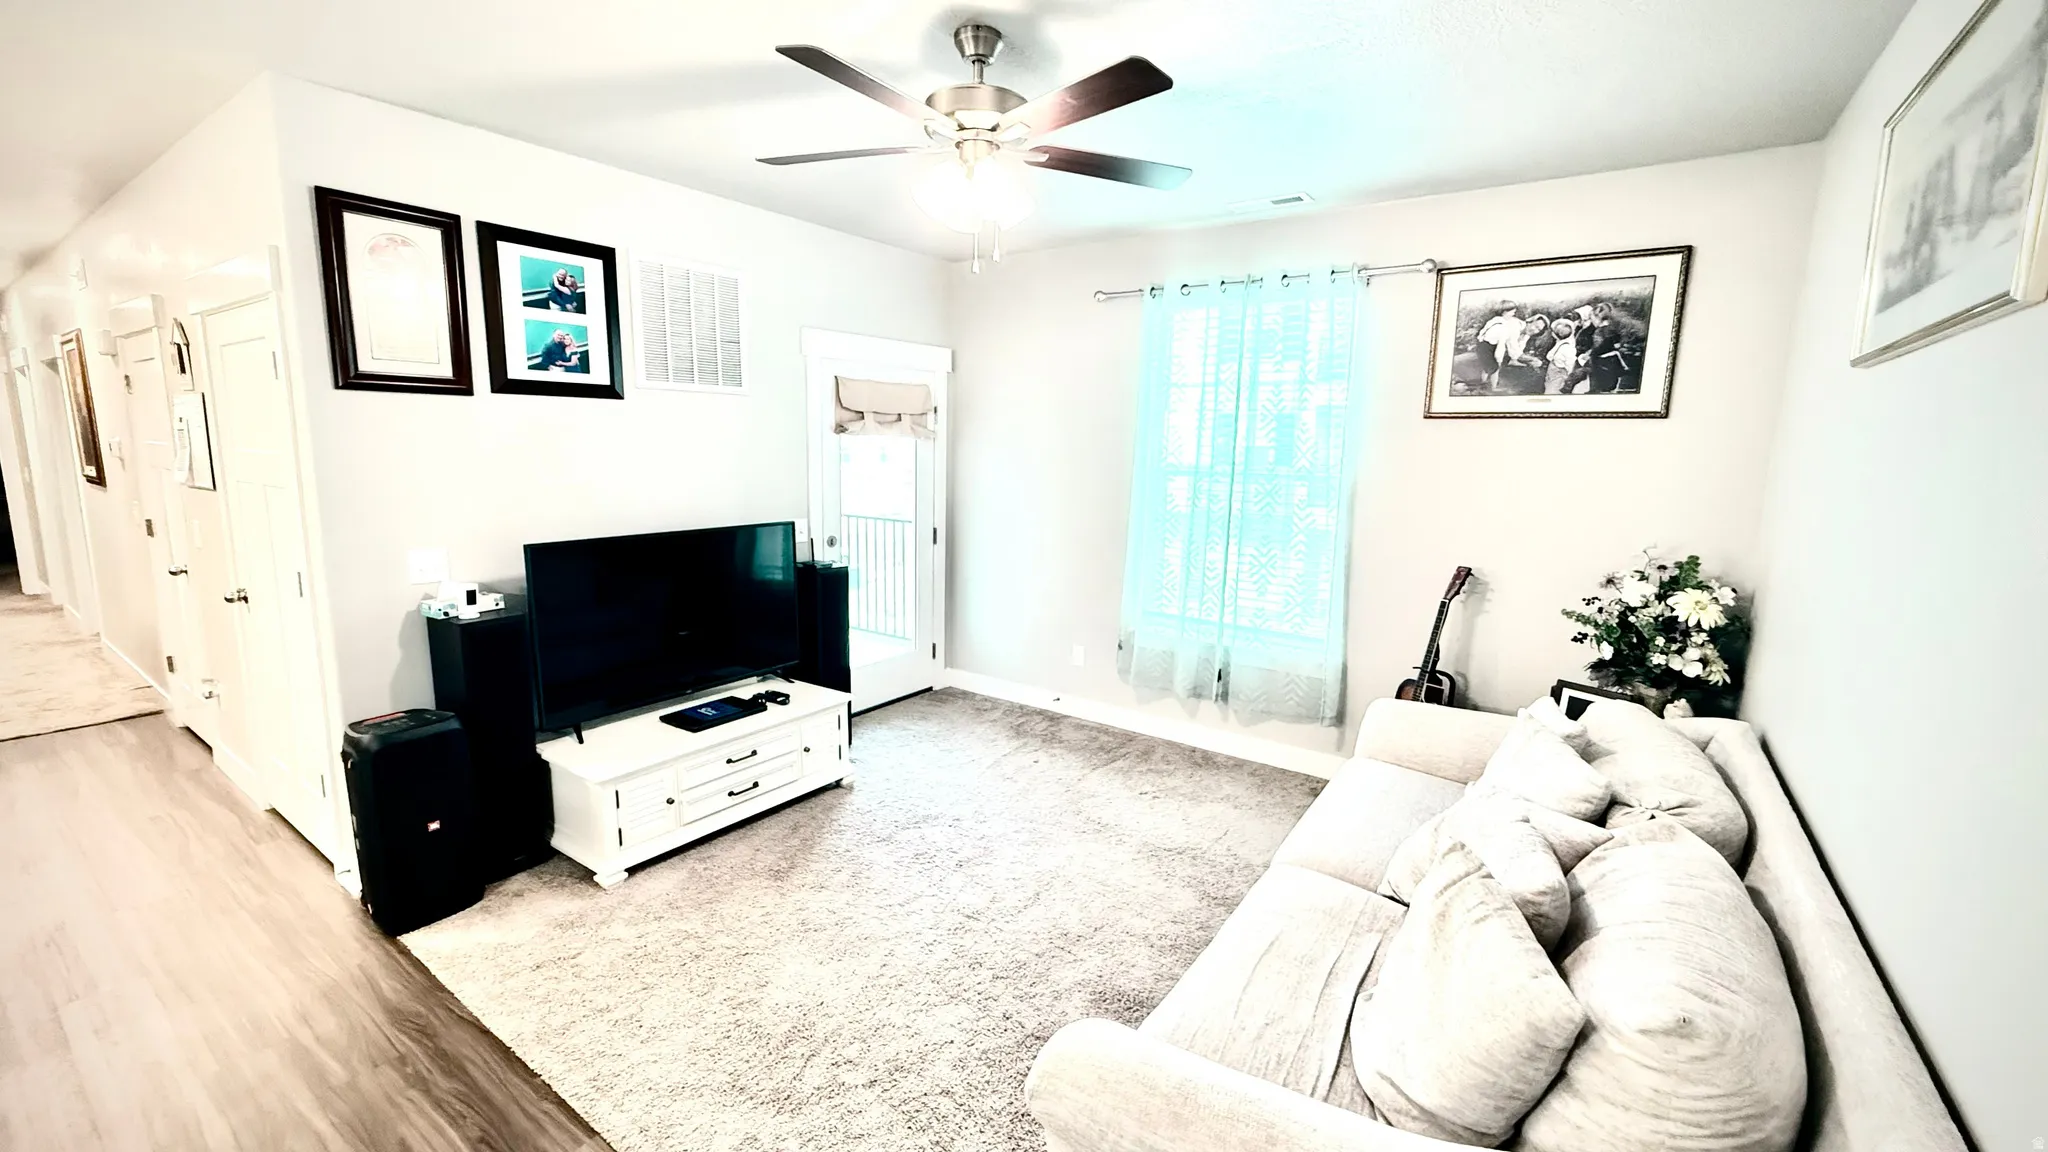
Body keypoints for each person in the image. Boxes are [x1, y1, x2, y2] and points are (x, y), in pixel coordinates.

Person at [1475, 305, 1524, 389]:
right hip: (1487, 346)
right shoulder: (1503, 326)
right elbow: (1501, 345)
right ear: (1505, 312)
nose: (1514, 314)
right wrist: (1499, 359)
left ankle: (1483, 383)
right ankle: (1493, 388)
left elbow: (1483, 330)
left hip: (1483, 344)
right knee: (1495, 368)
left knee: (1487, 367)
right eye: (1512, 312)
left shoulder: (1496, 320)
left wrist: (1480, 337)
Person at [1544, 318, 1579, 394]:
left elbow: (1571, 364)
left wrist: (1569, 378)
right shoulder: (1559, 343)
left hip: (1559, 375)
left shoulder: (1567, 347)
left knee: (1553, 392)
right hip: (1552, 373)